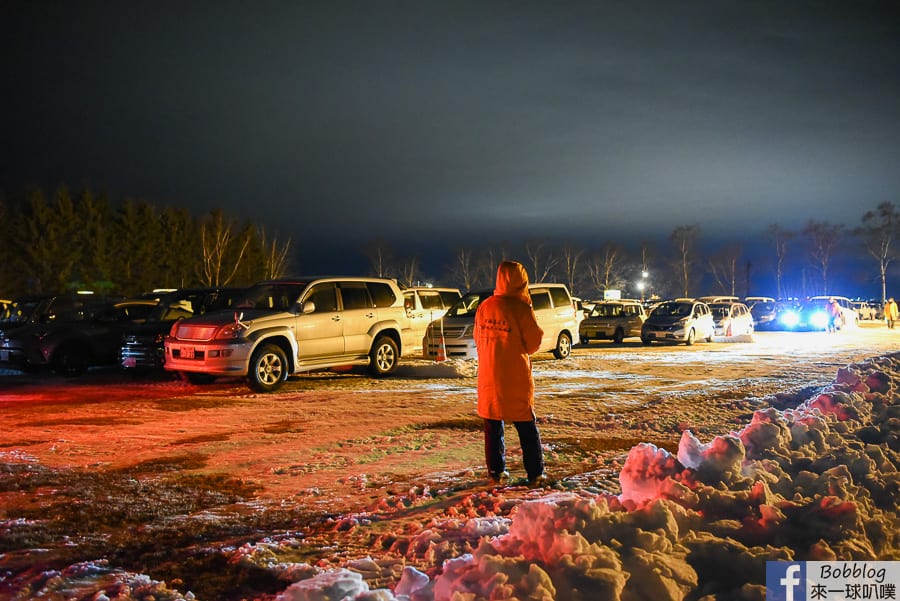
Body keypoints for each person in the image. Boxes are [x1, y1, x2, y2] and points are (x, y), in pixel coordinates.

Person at [474, 260, 548, 486]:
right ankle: (535, 474)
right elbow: (533, 344)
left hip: (489, 374)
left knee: (492, 425)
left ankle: (496, 472)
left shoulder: (485, 306)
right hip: (514, 377)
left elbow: (477, 338)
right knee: (526, 425)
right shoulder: (522, 309)